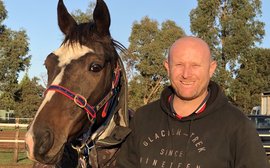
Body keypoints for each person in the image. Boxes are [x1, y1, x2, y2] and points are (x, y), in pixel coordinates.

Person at [116, 36, 270, 168]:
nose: (186, 74)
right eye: (179, 65)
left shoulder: (238, 126)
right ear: (167, 67)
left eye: (195, 65)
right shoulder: (143, 118)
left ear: (211, 69)